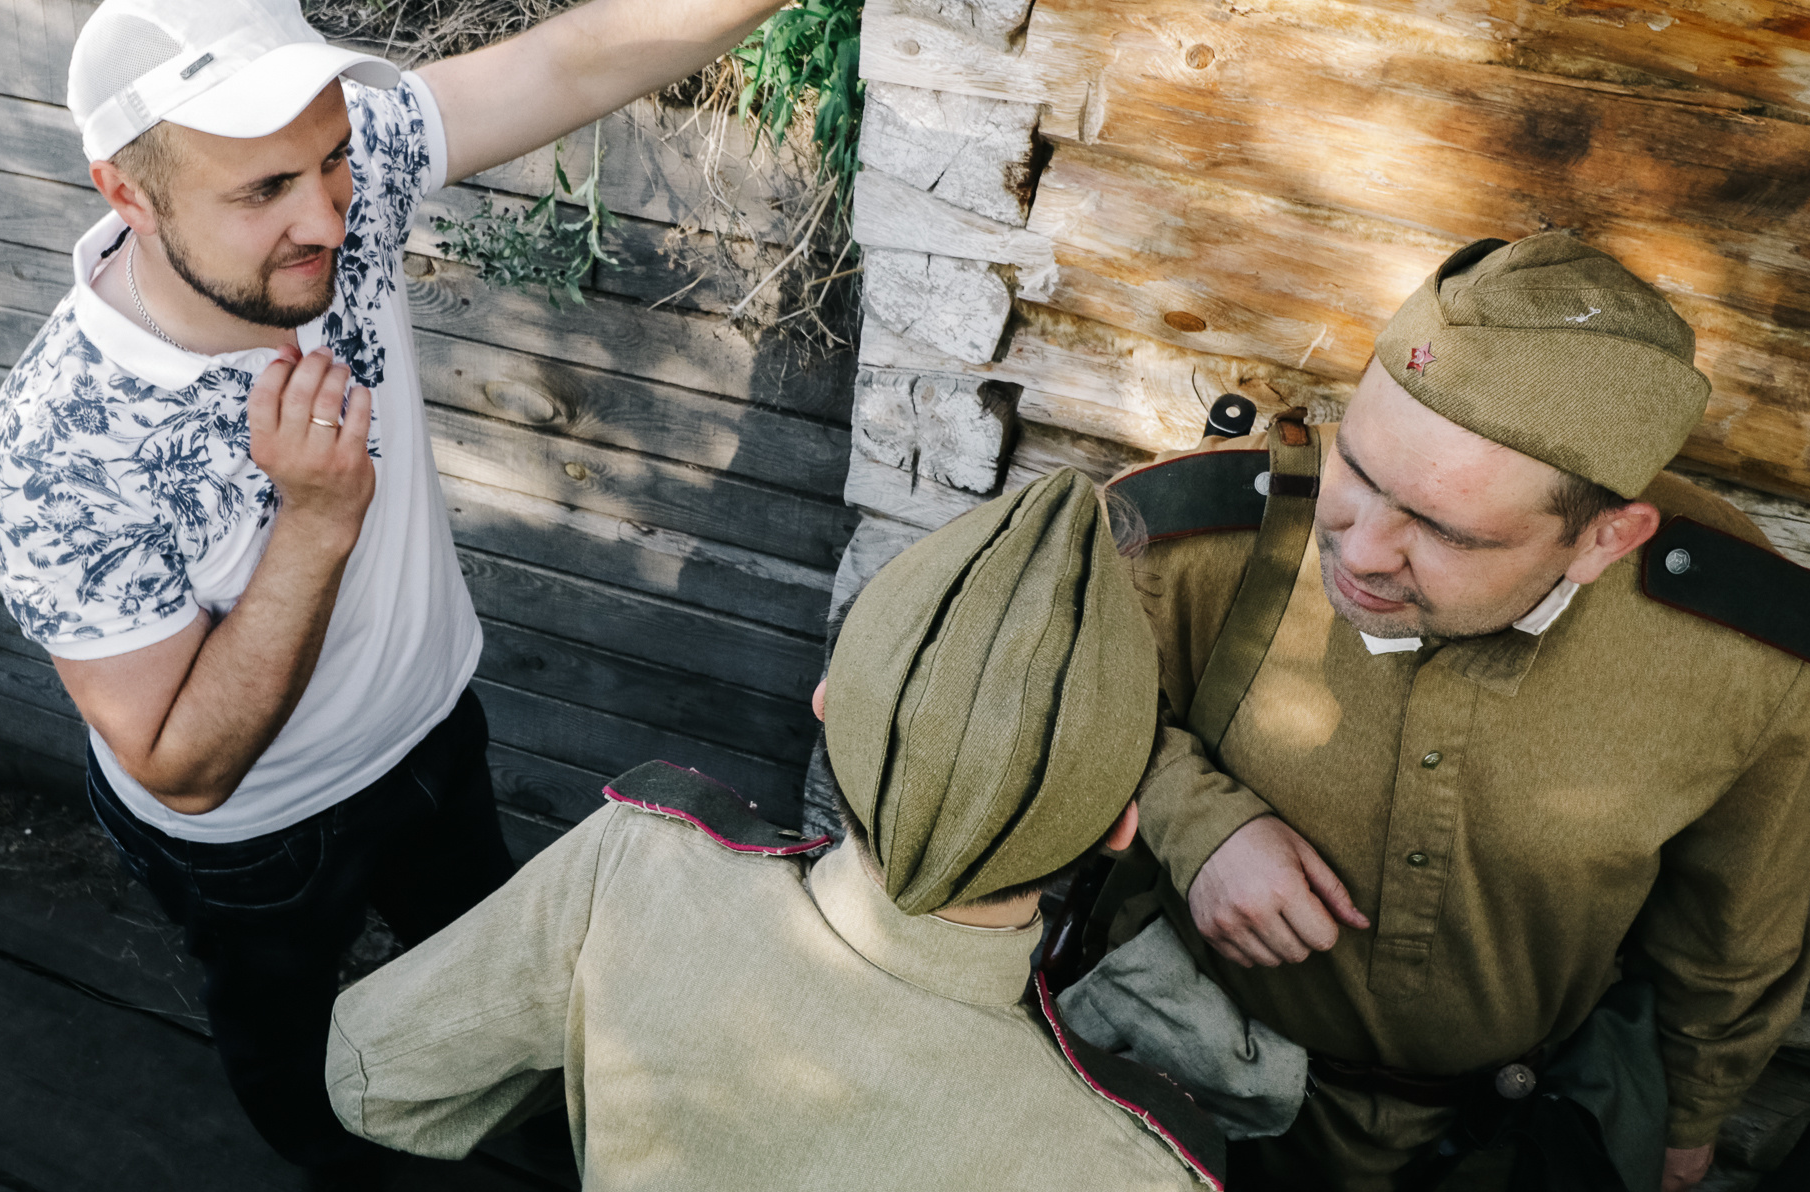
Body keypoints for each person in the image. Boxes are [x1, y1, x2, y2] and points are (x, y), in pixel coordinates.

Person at [0, 0, 937, 1185]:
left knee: (510, 1024)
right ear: (123, 192)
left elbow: (562, 67)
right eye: (263, 193)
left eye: (328, 160)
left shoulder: (334, 184)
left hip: (432, 735)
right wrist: (314, 523)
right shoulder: (59, 447)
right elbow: (180, 765)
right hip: (255, 849)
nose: (326, 217)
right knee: (312, 1083)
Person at [1112, 233, 1810, 1192]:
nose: (1363, 550)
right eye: (1361, 471)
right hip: (1177, 1091)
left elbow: (1732, 933)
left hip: (1498, 1146)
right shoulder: (1212, 525)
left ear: (1603, 540)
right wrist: (1192, 820)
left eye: (1446, 530)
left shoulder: (1742, 650)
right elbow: (1041, 687)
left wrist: (1685, 1126)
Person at [323, 469, 1228, 1191]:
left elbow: (377, 1079)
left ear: (829, 708)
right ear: (1119, 827)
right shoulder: (1143, 1165)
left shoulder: (639, 862)